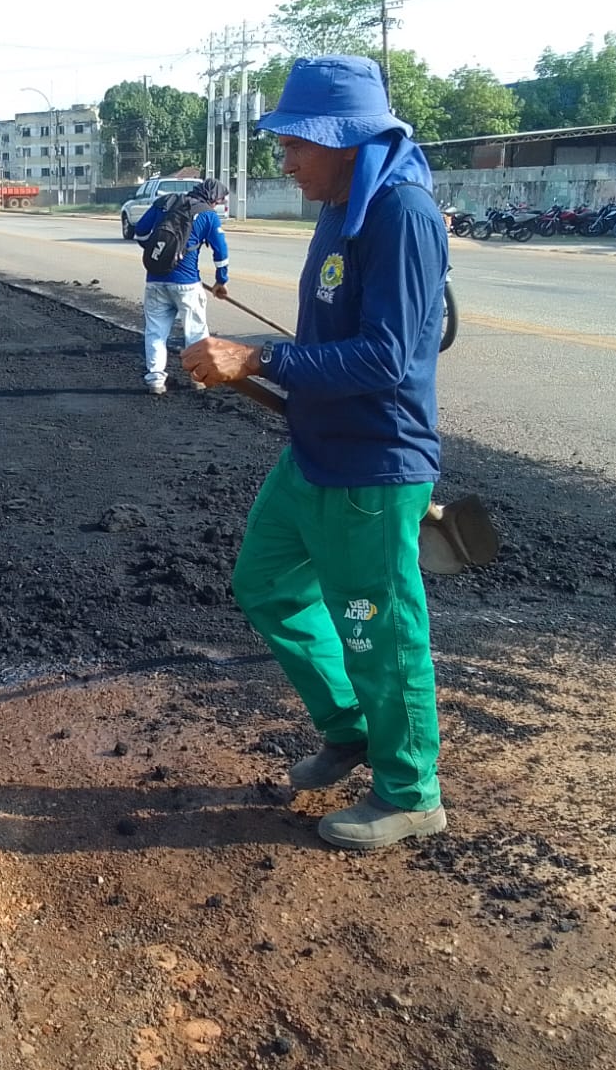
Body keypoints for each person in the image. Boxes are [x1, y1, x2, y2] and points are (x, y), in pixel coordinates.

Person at [181, 56, 450, 851]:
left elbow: (388, 359)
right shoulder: (341, 206)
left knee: (379, 631)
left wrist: (258, 361)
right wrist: (259, 364)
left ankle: (409, 792)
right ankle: (349, 729)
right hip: (315, 453)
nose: (285, 160)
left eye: (298, 143)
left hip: (373, 468)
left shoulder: (401, 214)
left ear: (348, 141)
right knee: (265, 583)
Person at [132, 178, 231, 395]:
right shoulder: (207, 214)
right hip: (187, 284)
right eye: (219, 200)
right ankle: (198, 378)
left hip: (155, 280)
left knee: (155, 332)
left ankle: (156, 381)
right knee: (195, 332)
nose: (217, 205)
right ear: (213, 198)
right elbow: (221, 253)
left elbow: (139, 232)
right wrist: (221, 281)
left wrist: (161, 254)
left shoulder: (165, 202)